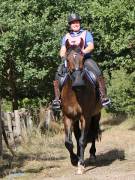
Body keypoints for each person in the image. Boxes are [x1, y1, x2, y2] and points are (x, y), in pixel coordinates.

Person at [52, 13, 110, 110]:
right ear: (70, 25)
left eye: (77, 22)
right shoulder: (66, 36)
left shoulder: (86, 33)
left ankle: (103, 97)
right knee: (58, 74)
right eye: (73, 23)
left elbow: (91, 46)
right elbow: (62, 49)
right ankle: (57, 99)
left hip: (84, 59)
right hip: (70, 61)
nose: (76, 24)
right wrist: (63, 56)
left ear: (80, 23)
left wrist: (82, 52)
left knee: (97, 71)